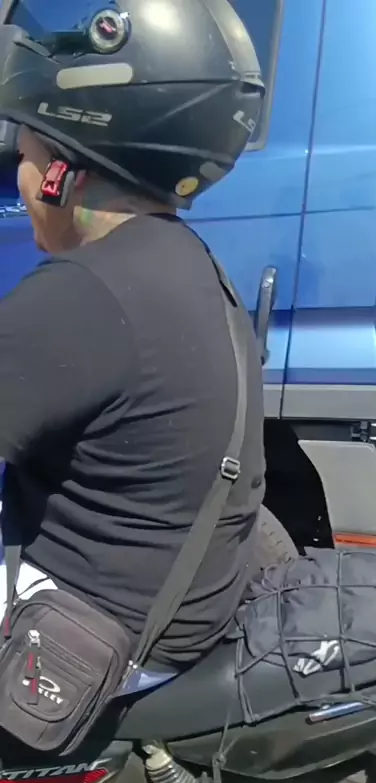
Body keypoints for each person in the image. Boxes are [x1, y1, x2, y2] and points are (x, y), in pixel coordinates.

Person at [0, 0, 265, 669]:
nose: (18, 180)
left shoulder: (82, 294)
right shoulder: (193, 265)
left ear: (60, 174)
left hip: (89, 636)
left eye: (23, 155)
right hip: (169, 617)